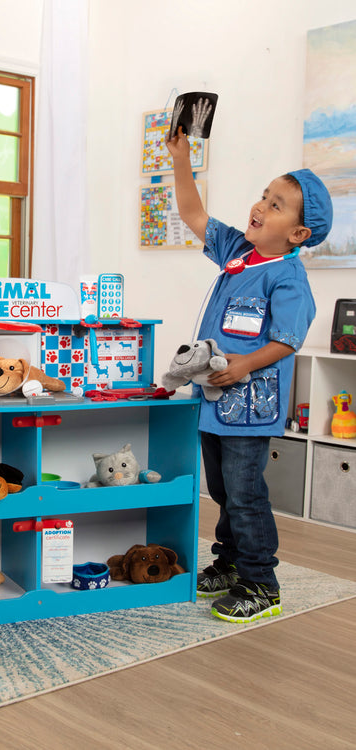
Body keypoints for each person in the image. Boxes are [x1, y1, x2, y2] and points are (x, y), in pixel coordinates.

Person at [166, 126, 332, 623]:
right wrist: (181, 160)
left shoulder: (287, 275)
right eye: (264, 196)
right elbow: (194, 214)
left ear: (298, 234)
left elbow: (288, 339)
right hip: (213, 403)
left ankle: (262, 582)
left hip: (250, 407)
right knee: (220, 490)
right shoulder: (238, 251)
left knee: (245, 494)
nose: (261, 206)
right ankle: (230, 562)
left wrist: (243, 364)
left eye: (277, 205)